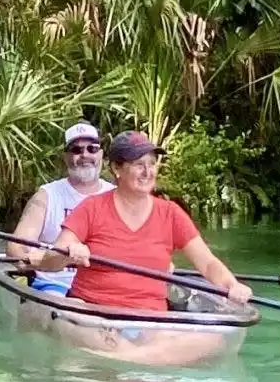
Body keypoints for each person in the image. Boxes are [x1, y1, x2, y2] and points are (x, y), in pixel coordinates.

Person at [51, 131, 254, 313]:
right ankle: (138, 352)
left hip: (150, 321)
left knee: (210, 340)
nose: (148, 172)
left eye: (152, 163)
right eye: (139, 164)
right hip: (93, 314)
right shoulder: (91, 208)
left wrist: (232, 285)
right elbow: (50, 260)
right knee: (80, 320)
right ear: (116, 168)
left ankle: (133, 352)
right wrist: (68, 252)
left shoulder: (171, 213)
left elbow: (208, 264)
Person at [9, 121, 113, 294]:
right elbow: (16, 247)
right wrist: (29, 259)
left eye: (92, 149)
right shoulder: (46, 195)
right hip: (55, 286)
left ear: (101, 154)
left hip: (105, 288)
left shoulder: (117, 196)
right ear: (65, 157)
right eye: (76, 150)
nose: (85, 155)